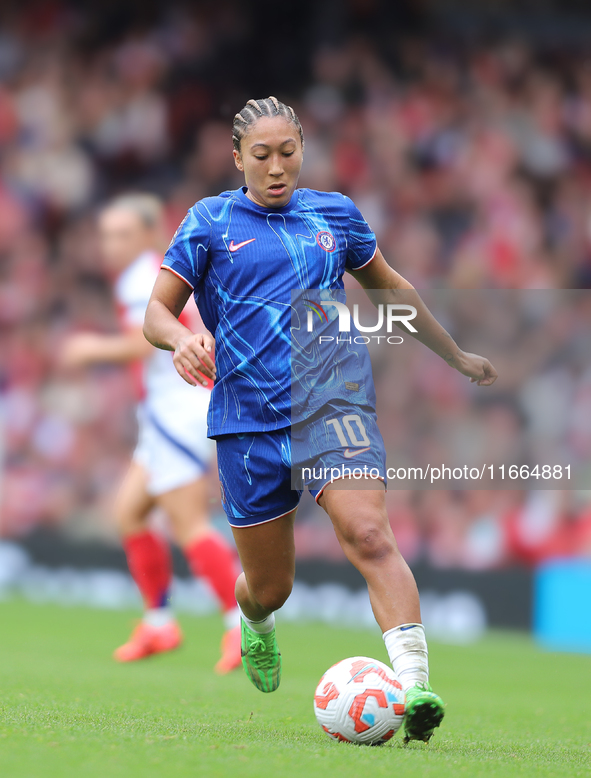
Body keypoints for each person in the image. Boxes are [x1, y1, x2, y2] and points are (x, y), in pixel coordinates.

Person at [143, 98, 498, 743]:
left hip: (332, 405)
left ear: (303, 149)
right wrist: (181, 340)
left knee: (369, 535)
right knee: (272, 587)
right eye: (262, 156)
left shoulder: (336, 216)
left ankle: (416, 688)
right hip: (247, 423)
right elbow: (156, 314)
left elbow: (391, 289)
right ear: (237, 160)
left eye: (288, 152)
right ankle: (254, 618)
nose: (277, 168)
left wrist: (455, 355)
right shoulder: (208, 223)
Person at [60, 194, 241, 674]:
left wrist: (91, 348)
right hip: (164, 411)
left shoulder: (145, 275)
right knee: (130, 512)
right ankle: (159, 621)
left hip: (179, 408)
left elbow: (147, 340)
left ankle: (240, 625)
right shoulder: (148, 274)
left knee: (188, 525)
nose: (109, 245)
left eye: (121, 234)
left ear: (147, 233)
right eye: (105, 234)